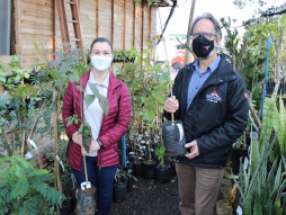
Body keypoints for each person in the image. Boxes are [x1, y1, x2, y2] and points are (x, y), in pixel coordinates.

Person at [164, 13, 249, 215]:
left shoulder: (231, 80)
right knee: (186, 206)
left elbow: (237, 124)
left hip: (210, 159)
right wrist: (168, 109)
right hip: (184, 154)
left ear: (217, 40)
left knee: (203, 210)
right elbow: (174, 111)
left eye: (205, 34)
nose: (199, 40)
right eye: (195, 35)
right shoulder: (184, 74)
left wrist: (202, 144)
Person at [62, 37, 131, 215]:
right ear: (90, 56)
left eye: (105, 53)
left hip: (106, 154)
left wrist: (99, 143)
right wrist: (73, 134)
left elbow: (123, 124)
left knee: (105, 196)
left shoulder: (120, 89)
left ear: (112, 56)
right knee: (86, 197)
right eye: (96, 52)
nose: (101, 56)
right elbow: (66, 114)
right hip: (81, 153)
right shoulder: (76, 84)